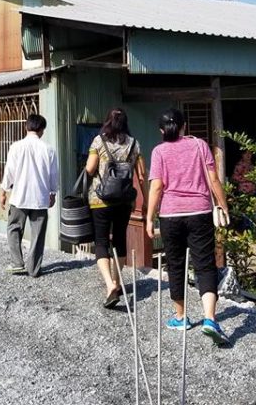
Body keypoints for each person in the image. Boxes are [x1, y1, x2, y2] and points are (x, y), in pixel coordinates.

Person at [145, 108, 231, 346]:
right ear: (184, 126)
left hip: (171, 214)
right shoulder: (199, 145)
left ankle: (181, 317)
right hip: (200, 212)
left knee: (175, 265)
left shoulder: (159, 151)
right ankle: (210, 319)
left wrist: (149, 218)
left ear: (161, 130)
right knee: (204, 264)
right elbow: (214, 180)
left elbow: (156, 187)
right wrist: (224, 206)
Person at [85, 108, 147, 308]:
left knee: (101, 241)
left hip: (100, 199)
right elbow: (142, 175)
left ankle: (110, 284)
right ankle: (118, 282)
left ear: (107, 122)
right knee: (120, 239)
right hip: (123, 201)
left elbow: (90, 168)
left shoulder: (98, 141)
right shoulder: (134, 144)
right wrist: (145, 199)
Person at [0, 114, 59, 278]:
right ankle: (34, 269)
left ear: (26, 127)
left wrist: (4, 191)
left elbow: (9, 171)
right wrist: (52, 193)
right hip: (40, 198)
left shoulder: (16, 146)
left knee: (14, 228)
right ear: (42, 130)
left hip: (19, 196)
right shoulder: (49, 149)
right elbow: (54, 175)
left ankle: (17, 263)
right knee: (38, 234)